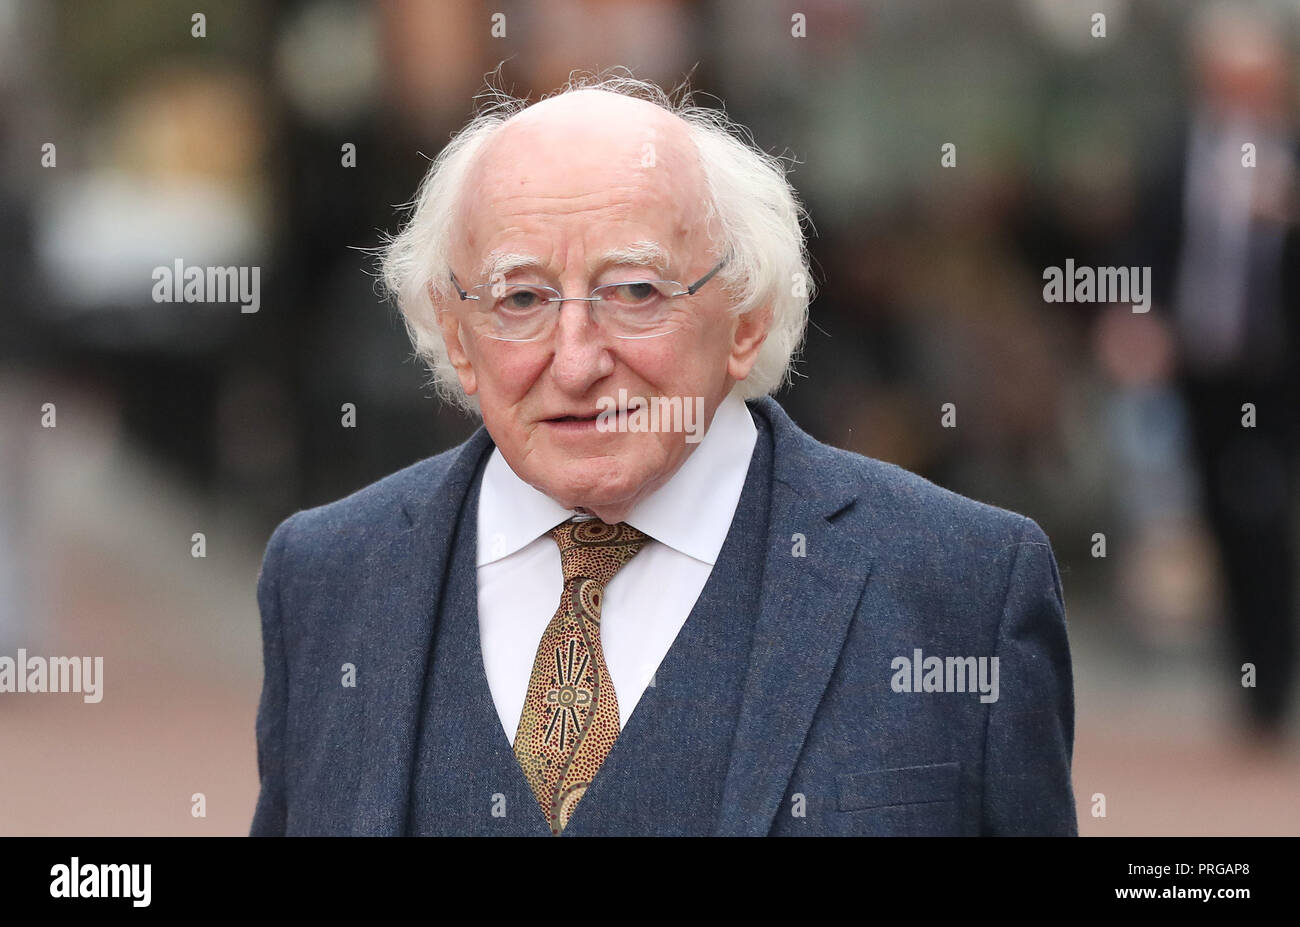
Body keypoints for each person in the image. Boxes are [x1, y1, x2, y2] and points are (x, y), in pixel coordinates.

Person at [250, 74, 1077, 836]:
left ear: (747, 316)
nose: (576, 361)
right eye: (523, 298)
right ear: (457, 334)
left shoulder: (962, 584)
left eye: (636, 291)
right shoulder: (326, 578)